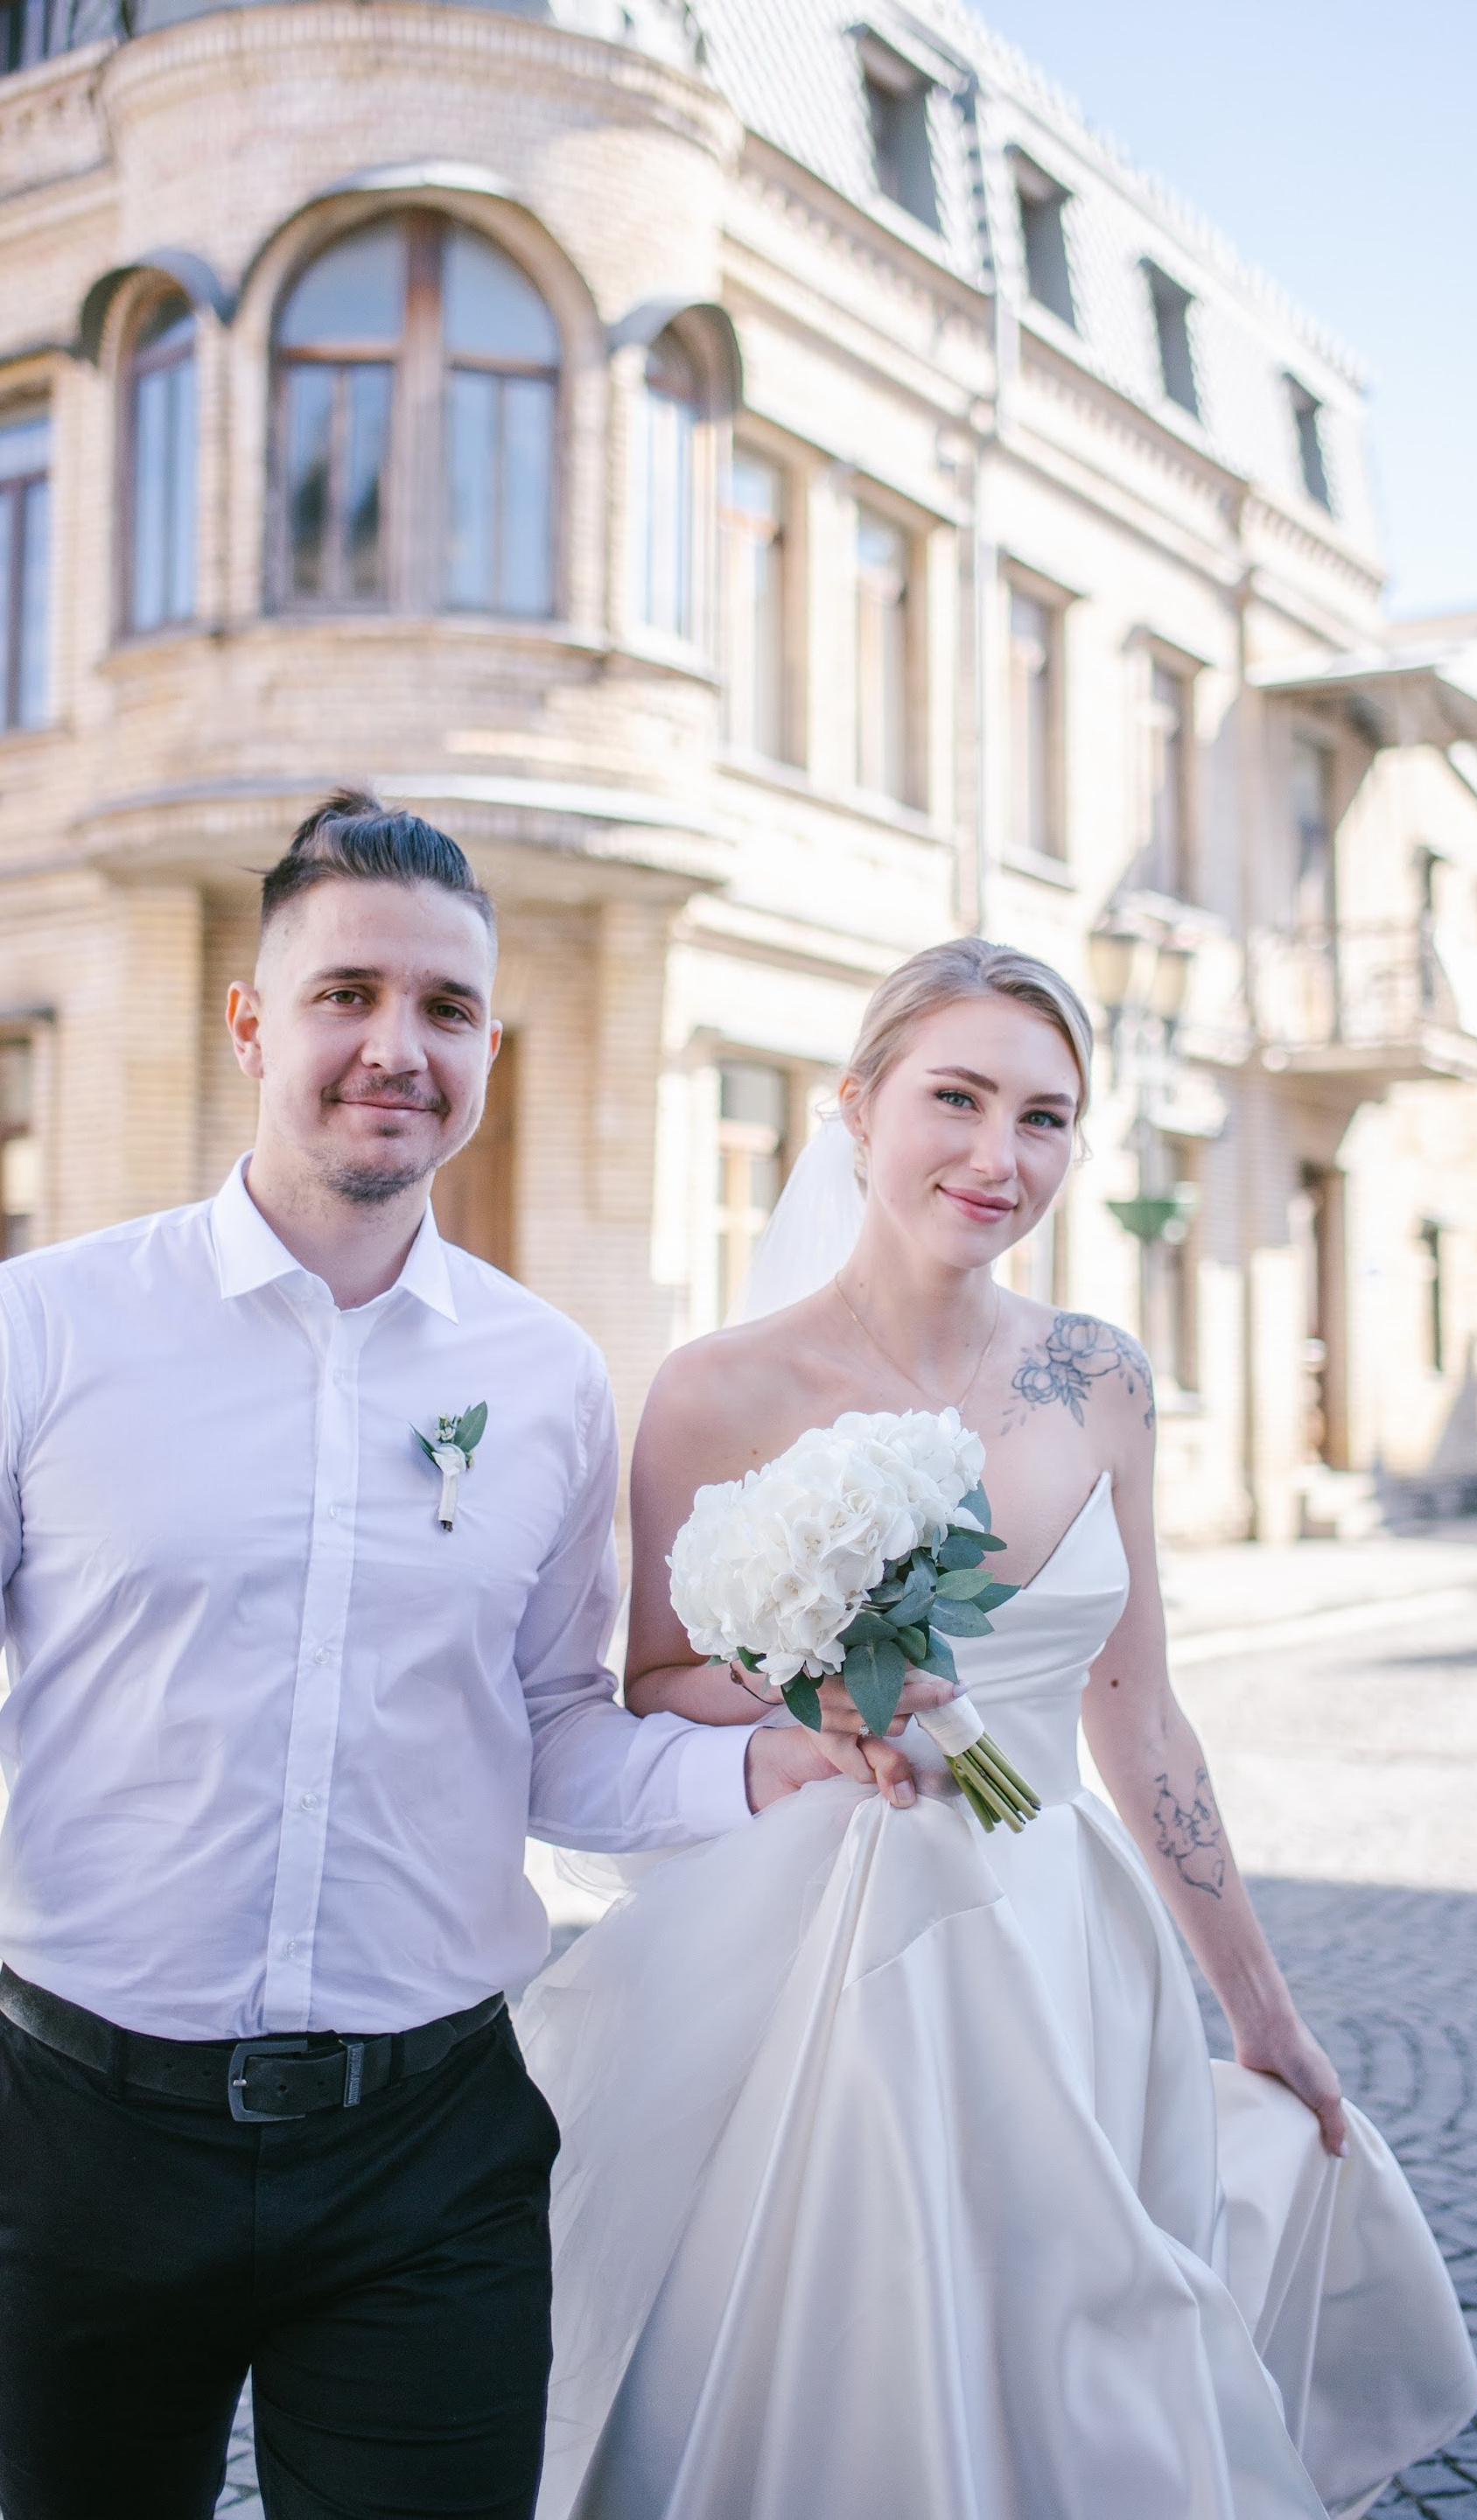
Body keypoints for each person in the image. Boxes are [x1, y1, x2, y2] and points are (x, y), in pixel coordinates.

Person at [518, 938, 1477, 2520]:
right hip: (836, 1948)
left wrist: (1262, 2010)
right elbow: (662, 1682)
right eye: (956, 1099)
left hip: (1060, 1926)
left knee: (1086, 2341)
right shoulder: (716, 1390)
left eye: (1045, 1118)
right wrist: (813, 1689)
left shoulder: (1099, 1378)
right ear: (858, 1107)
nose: (999, 1156)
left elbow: (1142, 1713)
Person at [0, 793, 862, 2520]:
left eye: (448, 1008)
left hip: (426, 2158)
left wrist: (768, 1763)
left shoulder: (545, 1381)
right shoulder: (47, 1330)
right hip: (78, 2142)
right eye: (348, 993)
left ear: (487, 1047)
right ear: (252, 1023)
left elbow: (550, 1734)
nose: (398, 1045)